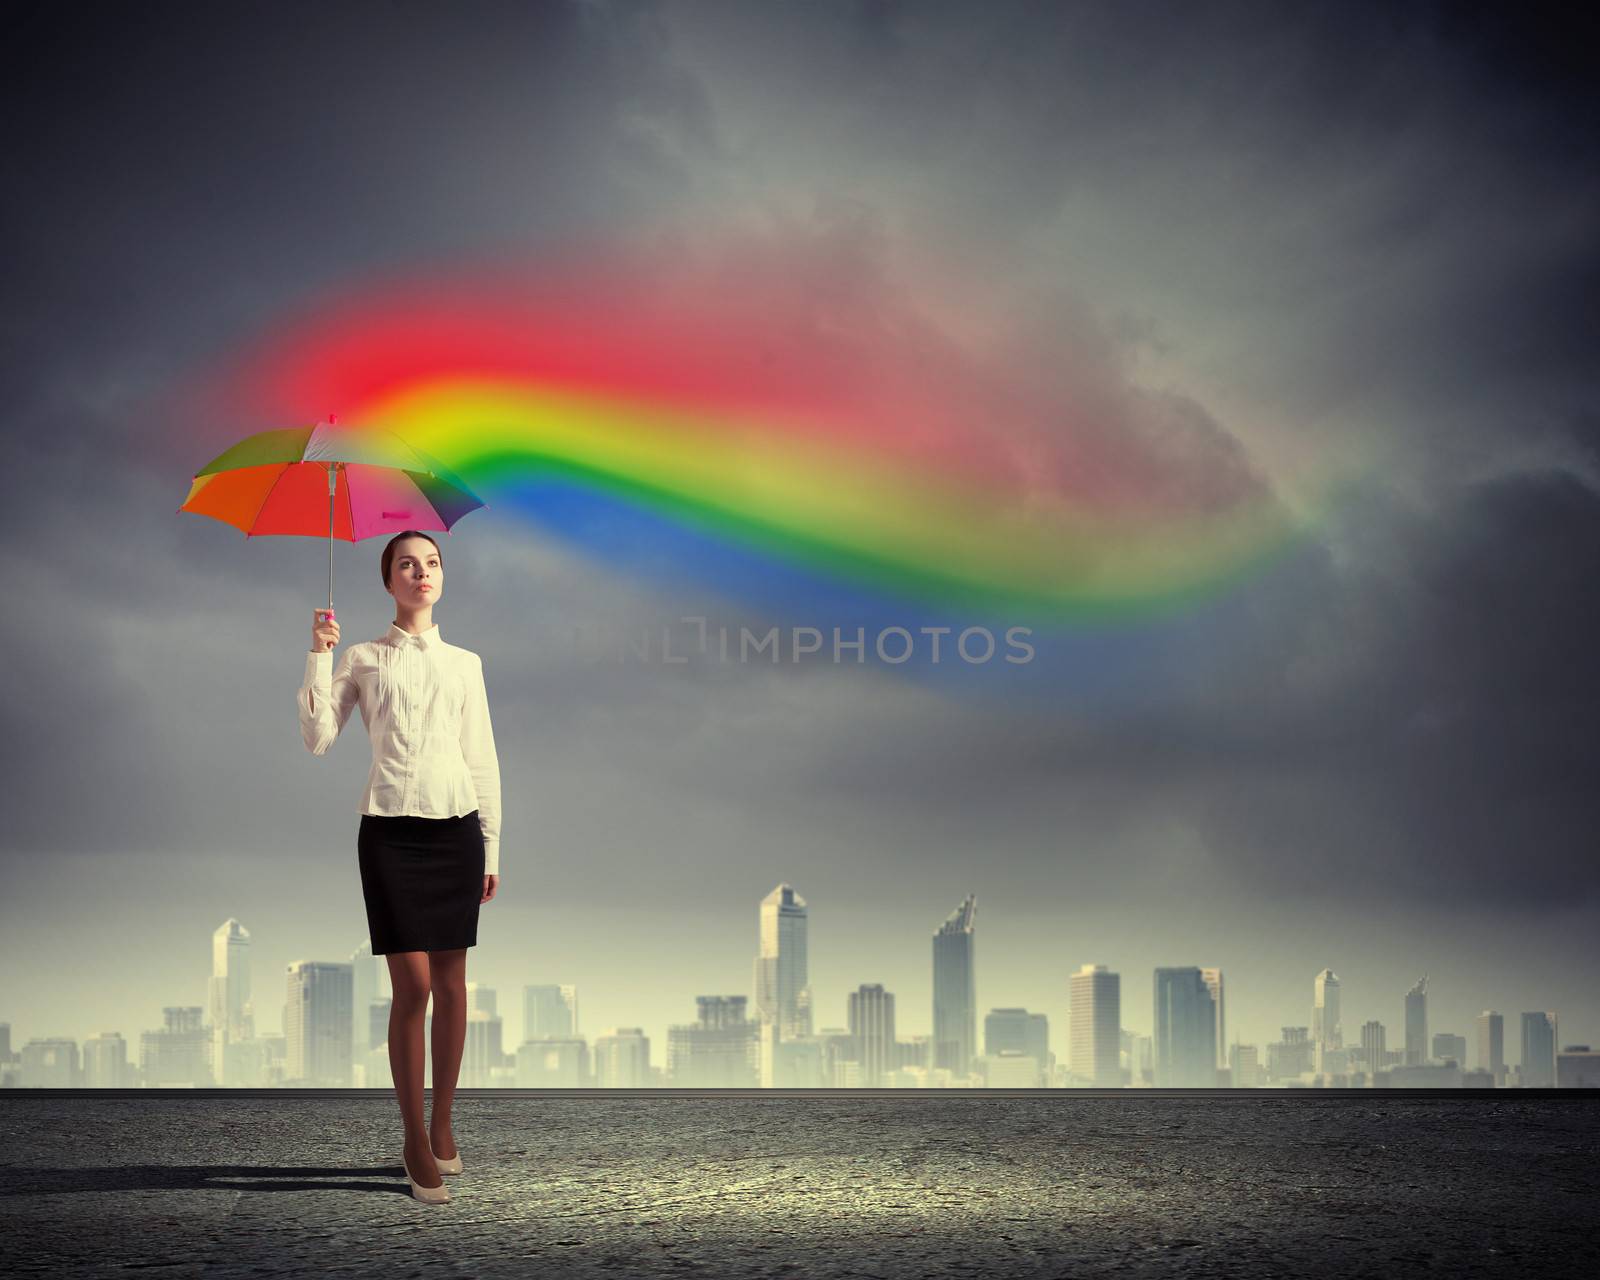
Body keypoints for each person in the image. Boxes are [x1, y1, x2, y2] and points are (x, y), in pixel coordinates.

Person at [298, 529, 502, 1205]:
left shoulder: (466, 663)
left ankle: (443, 1121)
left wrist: (491, 846)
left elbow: (482, 758)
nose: (422, 572)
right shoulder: (360, 656)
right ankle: (414, 1139)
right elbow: (318, 738)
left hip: (456, 829)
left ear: (442, 577)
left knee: (454, 985)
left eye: (432, 563)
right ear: (388, 579)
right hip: (388, 833)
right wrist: (317, 658)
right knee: (411, 989)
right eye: (407, 564)